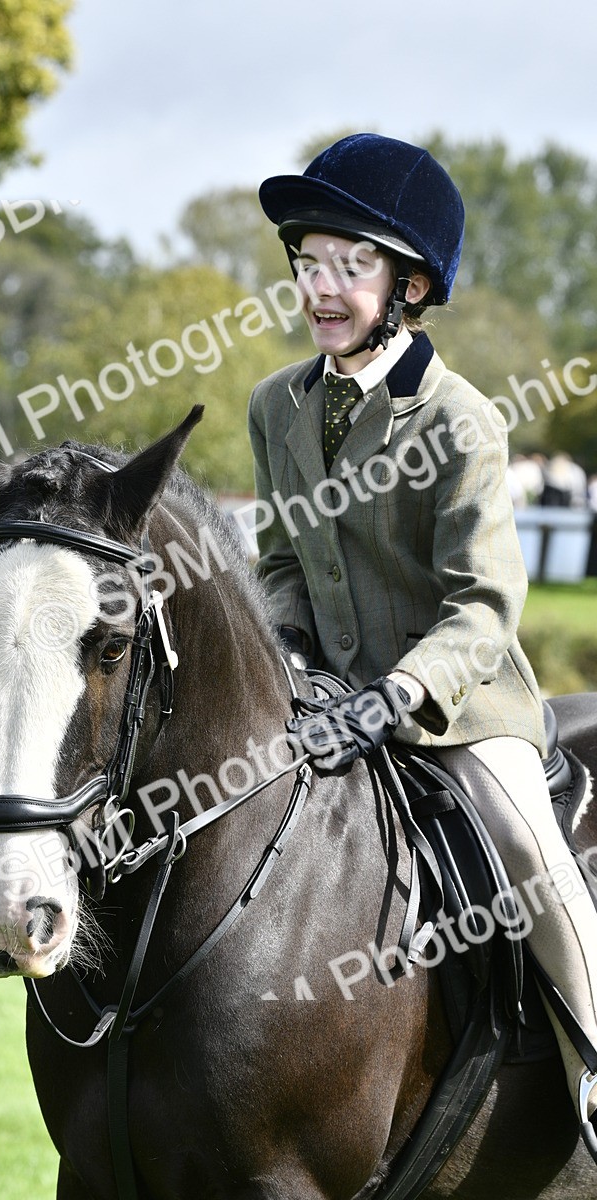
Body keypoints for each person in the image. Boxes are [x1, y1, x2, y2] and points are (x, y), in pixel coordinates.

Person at [248, 132, 597, 1157]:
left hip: (455, 706)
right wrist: (283, 662)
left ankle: (593, 1070)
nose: (320, 285)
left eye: (348, 265)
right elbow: (277, 564)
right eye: (308, 261)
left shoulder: (460, 420)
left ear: (405, 285)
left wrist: (395, 697)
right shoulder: (277, 405)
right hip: (323, 703)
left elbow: (483, 604)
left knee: (532, 857)